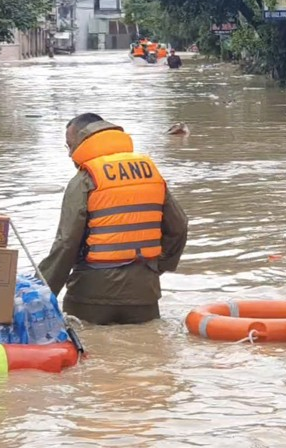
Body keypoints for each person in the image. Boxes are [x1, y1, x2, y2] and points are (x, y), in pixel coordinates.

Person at [39, 113, 189, 325]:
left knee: (88, 351)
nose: (70, 154)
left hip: (91, 295)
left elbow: (66, 244)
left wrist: (42, 292)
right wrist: (155, 267)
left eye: (70, 146)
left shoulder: (84, 179)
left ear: (83, 141)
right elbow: (179, 227)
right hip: (143, 293)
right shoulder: (150, 172)